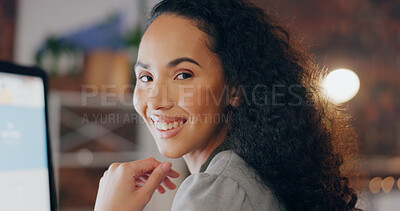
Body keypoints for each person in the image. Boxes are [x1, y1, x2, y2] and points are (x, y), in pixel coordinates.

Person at [94, 0, 362, 210]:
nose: (154, 100)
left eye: (183, 75)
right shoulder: (247, 175)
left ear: (234, 87)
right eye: (146, 77)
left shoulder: (216, 190)